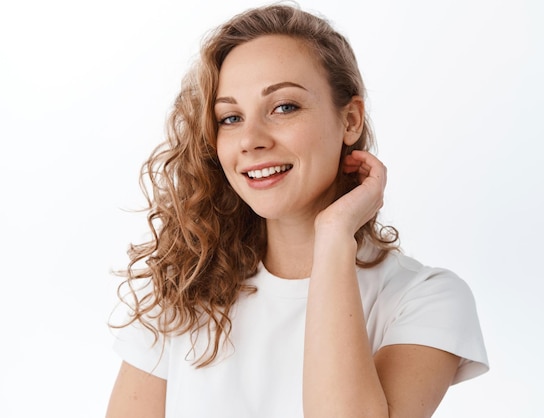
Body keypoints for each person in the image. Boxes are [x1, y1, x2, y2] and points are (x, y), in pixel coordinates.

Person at [105, 3, 489, 417]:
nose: (251, 138)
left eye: (284, 107)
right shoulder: (182, 290)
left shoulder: (423, 299)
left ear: (351, 121)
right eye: (230, 117)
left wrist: (335, 233)